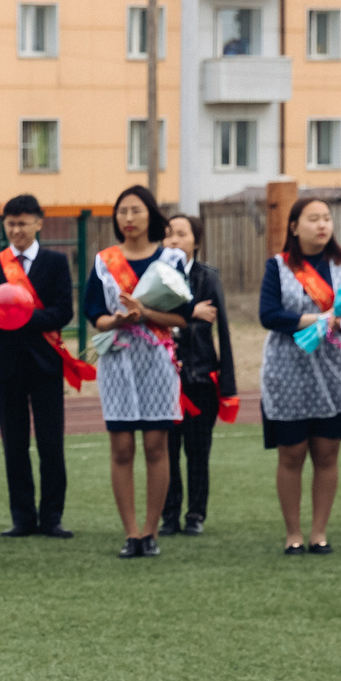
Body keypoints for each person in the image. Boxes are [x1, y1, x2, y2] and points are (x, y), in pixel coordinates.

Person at [84, 184, 187, 558]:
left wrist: (145, 314)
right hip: (117, 360)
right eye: (122, 211)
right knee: (122, 445)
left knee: (156, 445)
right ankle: (130, 533)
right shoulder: (104, 260)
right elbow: (93, 314)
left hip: (157, 359)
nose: (128, 218)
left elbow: (182, 317)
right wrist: (116, 320)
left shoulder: (171, 261)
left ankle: (151, 531)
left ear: (151, 215)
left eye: (136, 211)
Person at [259, 197, 341, 555]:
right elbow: (269, 315)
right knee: (291, 452)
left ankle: (319, 531)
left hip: (333, 367)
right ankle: (293, 534)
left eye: (327, 218)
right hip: (288, 368)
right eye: (313, 218)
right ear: (293, 226)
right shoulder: (279, 266)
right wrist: (319, 320)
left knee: (327, 452)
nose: (322, 225)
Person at [0, 194, 77, 538]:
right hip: (7, 366)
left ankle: (52, 517)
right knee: (14, 444)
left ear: (39, 223)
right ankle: (22, 517)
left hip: (45, 364)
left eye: (23, 223)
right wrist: (6, 317)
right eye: (10, 223)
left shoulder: (55, 262)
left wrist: (23, 315)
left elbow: (64, 312)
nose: (16, 230)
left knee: (51, 443)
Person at [160, 213, 238, 536]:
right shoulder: (155, 275)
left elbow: (219, 328)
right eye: (168, 234)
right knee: (164, 450)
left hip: (200, 375)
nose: (174, 240)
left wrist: (228, 384)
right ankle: (168, 515)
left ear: (196, 241)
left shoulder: (208, 278)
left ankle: (195, 514)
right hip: (162, 375)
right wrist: (189, 315)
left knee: (197, 450)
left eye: (181, 234)